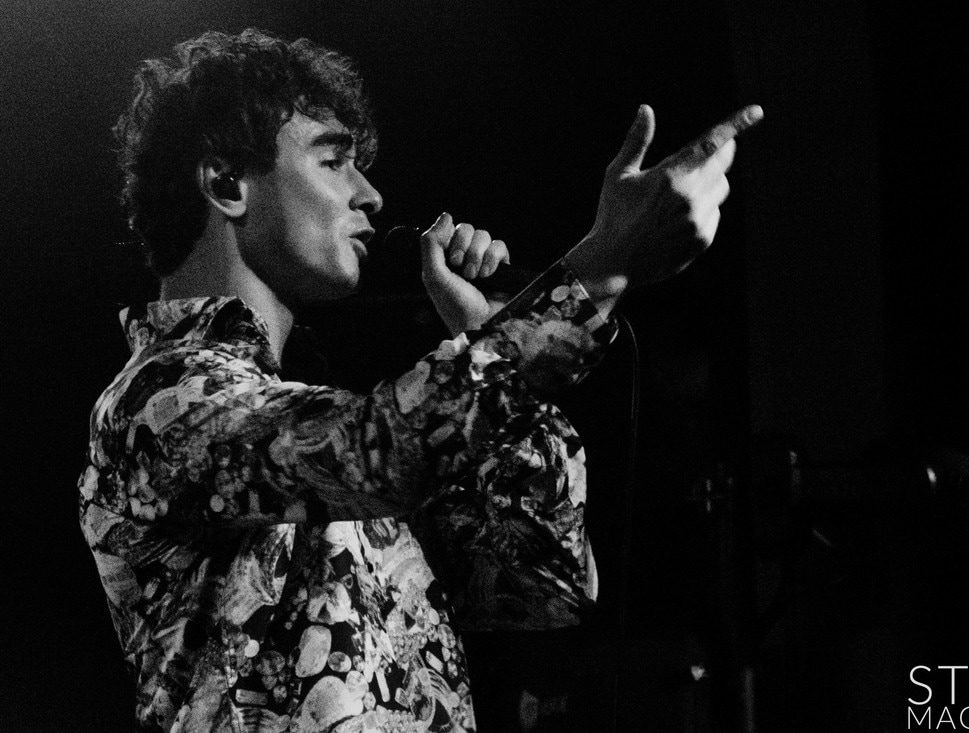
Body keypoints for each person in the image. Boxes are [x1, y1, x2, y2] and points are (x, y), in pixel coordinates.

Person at [78, 28, 761, 733]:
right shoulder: (158, 401)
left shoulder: (327, 420)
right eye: (334, 161)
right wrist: (594, 274)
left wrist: (487, 335)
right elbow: (378, 450)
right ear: (226, 183)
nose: (371, 195)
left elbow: (542, 585)